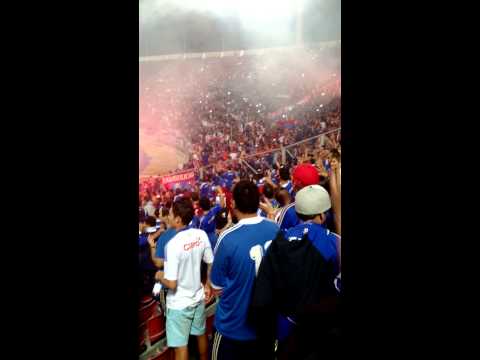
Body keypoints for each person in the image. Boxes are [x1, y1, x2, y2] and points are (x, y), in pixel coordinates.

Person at [251, 185, 340, 360]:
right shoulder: (333, 242)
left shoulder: (278, 240)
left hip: (285, 332)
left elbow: (262, 295)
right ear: (322, 215)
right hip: (321, 333)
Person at [207, 180, 280, 360]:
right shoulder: (275, 228)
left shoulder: (227, 238)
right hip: (267, 324)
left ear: (233, 204)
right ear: (258, 201)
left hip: (233, 328)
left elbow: (216, 287)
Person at [155, 198, 214, 360]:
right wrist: (207, 285)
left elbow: (172, 284)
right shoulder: (200, 234)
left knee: (181, 348)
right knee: (201, 335)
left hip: (179, 304)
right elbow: (211, 262)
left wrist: (160, 276)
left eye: (172, 213)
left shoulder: (172, 245)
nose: (169, 216)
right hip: (197, 297)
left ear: (178, 219)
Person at [276, 163, 320, 233]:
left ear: (294, 184)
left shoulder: (288, 211)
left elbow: (278, 236)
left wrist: (271, 217)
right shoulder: (324, 206)